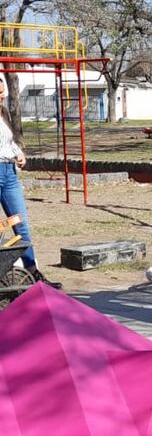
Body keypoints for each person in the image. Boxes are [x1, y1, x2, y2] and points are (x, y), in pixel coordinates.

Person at [0, 78, 61, 289]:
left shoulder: (3, 113)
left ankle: (33, 275)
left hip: (9, 174)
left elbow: (9, 142)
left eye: (3, 92)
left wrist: (19, 153)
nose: (2, 96)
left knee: (21, 225)